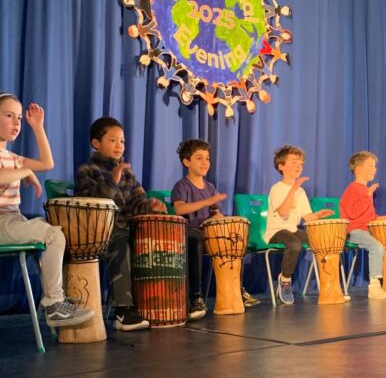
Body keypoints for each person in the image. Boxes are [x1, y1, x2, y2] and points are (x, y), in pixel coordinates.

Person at [0, 92, 94, 327]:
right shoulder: (15, 163)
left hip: (14, 220)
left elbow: (47, 163)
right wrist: (25, 171)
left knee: (55, 231)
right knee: (53, 235)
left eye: (19, 118)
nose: (16, 122)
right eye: (9, 115)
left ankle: (55, 300)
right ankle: (54, 304)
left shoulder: (13, 157)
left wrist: (38, 127)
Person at [75, 117, 167, 331]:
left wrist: (150, 205)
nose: (119, 145)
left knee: (154, 241)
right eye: (113, 140)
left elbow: (137, 204)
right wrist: (112, 180)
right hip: (97, 231)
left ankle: (155, 302)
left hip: (125, 228)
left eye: (122, 141)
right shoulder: (87, 170)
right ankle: (123, 310)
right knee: (120, 239)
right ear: (96, 143)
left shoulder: (127, 173)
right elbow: (93, 205)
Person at [172, 139, 260, 320]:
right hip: (191, 234)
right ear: (186, 162)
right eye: (199, 158)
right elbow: (179, 209)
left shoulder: (210, 187)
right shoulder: (182, 186)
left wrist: (224, 221)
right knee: (195, 239)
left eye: (207, 158)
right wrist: (206, 202)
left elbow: (215, 213)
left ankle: (237, 288)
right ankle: (196, 295)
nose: (205, 162)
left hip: (210, 236)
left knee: (234, 240)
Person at [339, 151, 386, 299]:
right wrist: (367, 195)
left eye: (374, 166)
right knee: (377, 246)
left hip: (369, 230)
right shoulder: (352, 188)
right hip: (355, 231)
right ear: (359, 170)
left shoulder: (366, 190)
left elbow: (367, 215)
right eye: (371, 166)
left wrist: (377, 218)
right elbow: (353, 214)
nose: (375, 169)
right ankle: (374, 286)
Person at [264, 145, 334, 305]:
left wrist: (318, 215)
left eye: (301, 163)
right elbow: (283, 213)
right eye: (294, 162)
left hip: (293, 229)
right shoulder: (277, 189)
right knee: (295, 244)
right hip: (276, 231)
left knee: (320, 241)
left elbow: (308, 218)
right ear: (281, 166)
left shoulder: (301, 192)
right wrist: (293, 188)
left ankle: (329, 283)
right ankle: (285, 279)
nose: (299, 166)